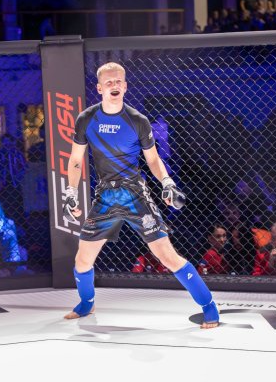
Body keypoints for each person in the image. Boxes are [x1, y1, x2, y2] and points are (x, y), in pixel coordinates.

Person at [62, 62, 219, 328]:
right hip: (105, 196)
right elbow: (76, 159)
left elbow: (153, 159)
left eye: (118, 81)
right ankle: (87, 303)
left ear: (125, 86)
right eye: (109, 82)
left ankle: (209, 305)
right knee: (82, 260)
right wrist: (70, 191)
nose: (114, 85)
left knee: (166, 255)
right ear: (99, 88)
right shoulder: (86, 119)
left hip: (134, 193)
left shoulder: (137, 120)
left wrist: (167, 182)